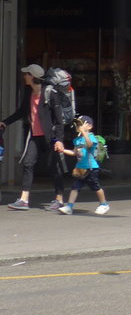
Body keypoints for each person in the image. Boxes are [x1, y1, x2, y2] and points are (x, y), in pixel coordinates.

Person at [0, 63, 67, 211]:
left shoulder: (50, 93)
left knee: (54, 167)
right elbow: (21, 112)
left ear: (33, 76)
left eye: (26, 74)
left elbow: (59, 120)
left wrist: (59, 140)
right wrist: (5, 122)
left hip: (50, 137)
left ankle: (59, 199)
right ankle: (24, 200)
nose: (24, 76)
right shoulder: (29, 92)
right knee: (28, 163)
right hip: (35, 136)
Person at [54, 115, 109, 216]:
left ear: (89, 126)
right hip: (80, 168)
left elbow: (89, 145)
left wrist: (84, 132)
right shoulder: (77, 140)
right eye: (77, 124)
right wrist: (63, 150)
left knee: (96, 187)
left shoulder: (91, 137)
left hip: (91, 168)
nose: (78, 126)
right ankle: (69, 207)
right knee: (75, 187)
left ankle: (104, 204)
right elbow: (74, 152)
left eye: (81, 124)